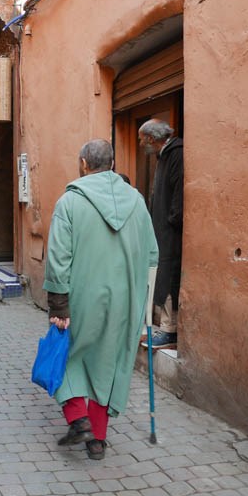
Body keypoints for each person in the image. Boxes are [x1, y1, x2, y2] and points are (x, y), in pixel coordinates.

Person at [44, 139, 158, 460]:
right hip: (124, 302)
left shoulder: (69, 203)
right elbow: (152, 254)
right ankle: (97, 441)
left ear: (83, 163)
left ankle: (78, 418)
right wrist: (144, 304)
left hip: (80, 298)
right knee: (107, 363)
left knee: (69, 357)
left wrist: (58, 305)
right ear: (112, 163)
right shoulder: (137, 201)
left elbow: (57, 259)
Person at [138, 119, 183, 348]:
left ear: (152, 139)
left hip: (169, 232)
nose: (141, 143)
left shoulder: (175, 154)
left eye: (142, 139)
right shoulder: (164, 156)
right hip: (161, 230)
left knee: (167, 277)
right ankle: (165, 327)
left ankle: (169, 329)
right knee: (161, 275)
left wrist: (171, 222)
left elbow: (178, 194)